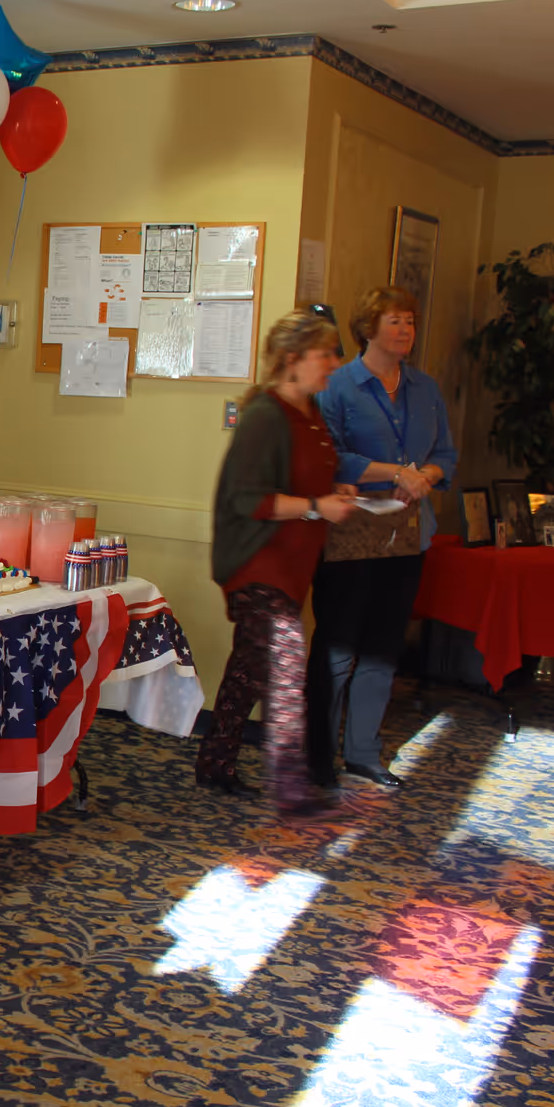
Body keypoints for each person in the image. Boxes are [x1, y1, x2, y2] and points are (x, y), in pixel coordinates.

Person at [197, 311, 359, 814]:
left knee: (249, 667)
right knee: (285, 662)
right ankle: (292, 786)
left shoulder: (310, 412)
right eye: (325, 354)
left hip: (292, 563)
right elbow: (247, 498)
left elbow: (303, 479)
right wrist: (316, 506)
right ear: (294, 359)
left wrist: (334, 493)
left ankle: (215, 762)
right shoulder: (266, 414)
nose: (335, 363)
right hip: (256, 559)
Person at [306, 286, 459, 790]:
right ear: (369, 327)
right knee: (339, 646)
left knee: (383, 647)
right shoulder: (339, 384)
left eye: (411, 321)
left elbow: (447, 456)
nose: (405, 330)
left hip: (409, 534)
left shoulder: (425, 388)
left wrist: (425, 477)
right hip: (352, 534)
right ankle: (319, 756)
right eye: (395, 320)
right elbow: (329, 455)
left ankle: (364, 754)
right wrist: (397, 472)